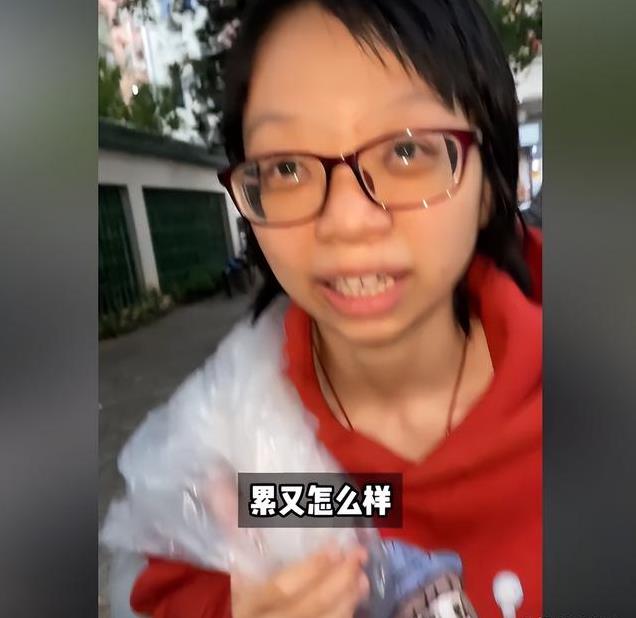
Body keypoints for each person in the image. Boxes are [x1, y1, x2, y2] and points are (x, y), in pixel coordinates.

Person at [109, 0, 542, 616]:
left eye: (407, 151)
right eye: (286, 167)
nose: (345, 221)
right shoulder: (237, 440)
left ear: (490, 183)